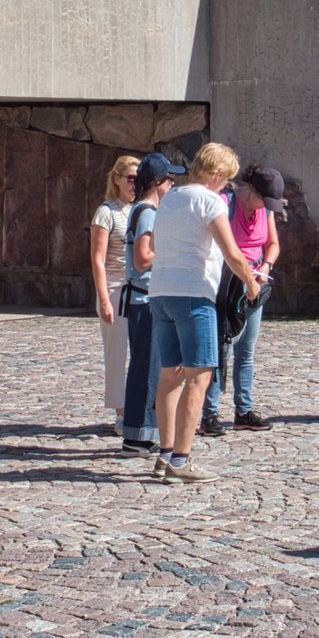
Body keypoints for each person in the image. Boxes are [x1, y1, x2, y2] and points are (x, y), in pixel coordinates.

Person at [148, 142, 266, 484]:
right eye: (226, 180)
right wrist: (251, 282)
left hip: (161, 291)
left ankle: (165, 454)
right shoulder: (210, 200)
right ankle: (181, 460)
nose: (226, 185)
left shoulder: (171, 197)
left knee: (170, 374)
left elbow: (155, 245)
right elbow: (232, 252)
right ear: (217, 174)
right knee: (199, 376)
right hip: (192, 294)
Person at [200, 165, 285, 436]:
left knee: (246, 351)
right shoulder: (226, 203)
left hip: (255, 283)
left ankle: (243, 410)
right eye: (263, 199)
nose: (264, 206)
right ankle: (209, 414)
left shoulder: (265, 210)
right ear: (251, 189)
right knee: (220, 348)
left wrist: (266, 268)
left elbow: (272, 244)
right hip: (226, 283)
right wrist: (244, 275)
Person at [118, 153, 182, 457]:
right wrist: (173, 252)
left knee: (148, 367)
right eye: (170, 179)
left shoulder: (145, 210)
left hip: (143, 299)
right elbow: (142, 259)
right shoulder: (148, 212)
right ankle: (137, 437)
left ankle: (140, 433)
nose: (173, 184)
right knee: (147, 369)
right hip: (144, 300)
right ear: (158, 182)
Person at [90, 155, 141, 432]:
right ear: (117, 179)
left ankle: (141, 409)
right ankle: (121, 413)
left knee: (143, 352)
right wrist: (104, 299)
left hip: (141, 288)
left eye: (138, 179)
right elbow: (97, 259)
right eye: (130, 178)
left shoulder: (144, 209)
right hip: (114, 287)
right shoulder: (106, 212)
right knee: (117, 352)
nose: (134, 184)